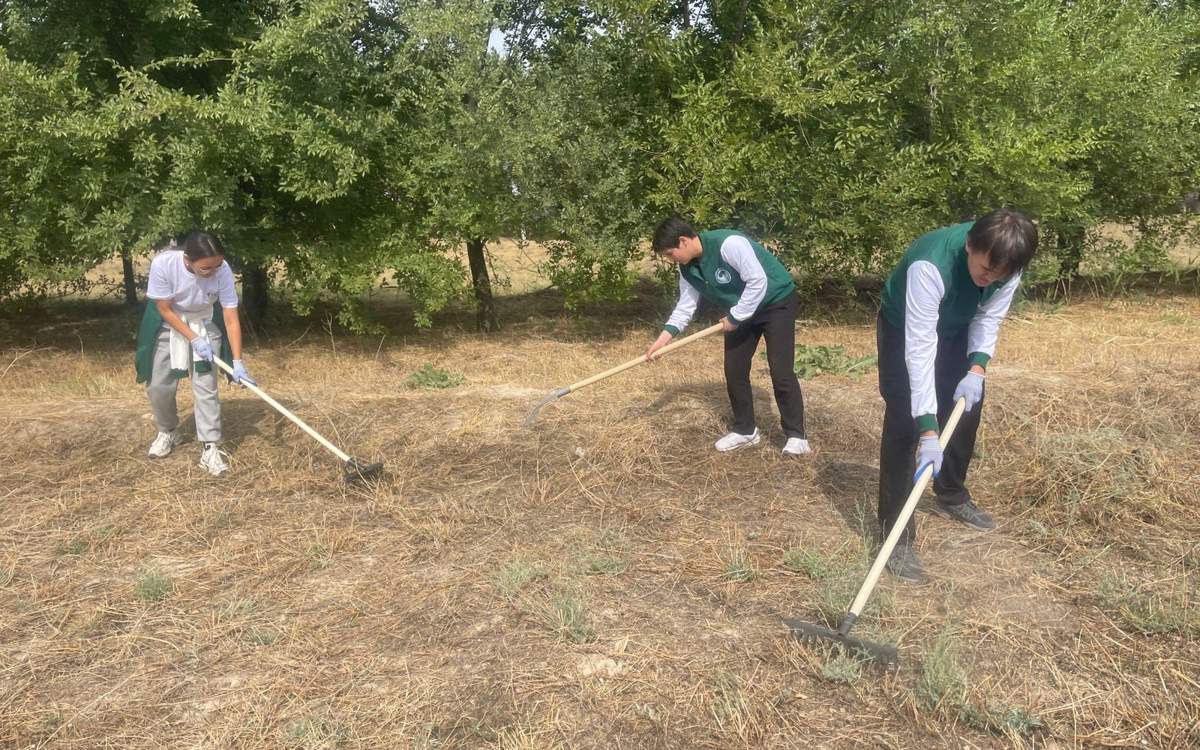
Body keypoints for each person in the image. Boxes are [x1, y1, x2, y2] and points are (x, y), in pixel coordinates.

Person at [876, 208, 1038, 582]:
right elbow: (919, 349)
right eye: (985, 269)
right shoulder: (929, 266)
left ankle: (951, 493)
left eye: (1000, 274)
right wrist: (929, 431)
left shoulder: (1008, 262)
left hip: (957, 326)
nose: (990, 279)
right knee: (905, 423)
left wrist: (976, 369)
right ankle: (896, 535)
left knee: (965, 407)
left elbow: (988, 317)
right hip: (906, 328)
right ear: (969, 246)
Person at [646, 217, 810, 455]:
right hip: (740, 311)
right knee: (734, 368)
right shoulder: (687, 268)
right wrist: (662, 340)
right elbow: (685, 307)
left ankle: (797, 436)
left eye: (670, 254)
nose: (670, 260)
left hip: (776, 302)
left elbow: (757, 281)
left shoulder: (729, 244)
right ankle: (745, 430)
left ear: (683, 241)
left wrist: (735, 317)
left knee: (781, 370)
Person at [134, 231, 256, 476]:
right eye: (205, 268)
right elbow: (165, 309)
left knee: (206, 385)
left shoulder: (222, 269)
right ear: (187, 259)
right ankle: (168, 431)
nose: (213, 272)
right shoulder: (164, 264)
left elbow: (231, 318)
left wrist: (237, 361)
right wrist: (193, 338)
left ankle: (210, 446)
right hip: (168, 324)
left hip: (205, 322)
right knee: (159, 386)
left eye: (217, 265)